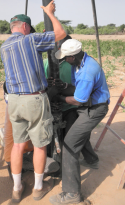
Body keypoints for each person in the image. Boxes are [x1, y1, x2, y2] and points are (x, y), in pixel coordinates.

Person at [0, 0, 66, 203]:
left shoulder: (4, 46)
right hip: (33, 99)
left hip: (14, 101)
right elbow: (61, 34)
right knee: (39, 145)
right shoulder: (30, 40)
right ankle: (38, 188)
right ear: (26, 27)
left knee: (18, 145)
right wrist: (50, 12)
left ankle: (17, 188)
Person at [49, 39, 110, 205]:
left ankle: (72, 194)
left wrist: (59, 96)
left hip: (93, 109)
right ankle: (91, 160)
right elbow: (76, 88)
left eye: (66, 57)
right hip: (90, 105)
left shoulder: (87, 71)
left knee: (69, 145)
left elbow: (78, 100)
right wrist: (64, 86)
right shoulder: (80, 64)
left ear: (73, 56)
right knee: (77, 134)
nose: (64, 60)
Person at [44, 35, 100, 168]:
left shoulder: (76, 65)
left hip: (72, 106)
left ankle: (89, 158)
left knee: (75, 134)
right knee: (52, 134)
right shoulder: (47, 63)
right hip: (54, 105)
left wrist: (63, 88)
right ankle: (53, 159)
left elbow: (80, 92)